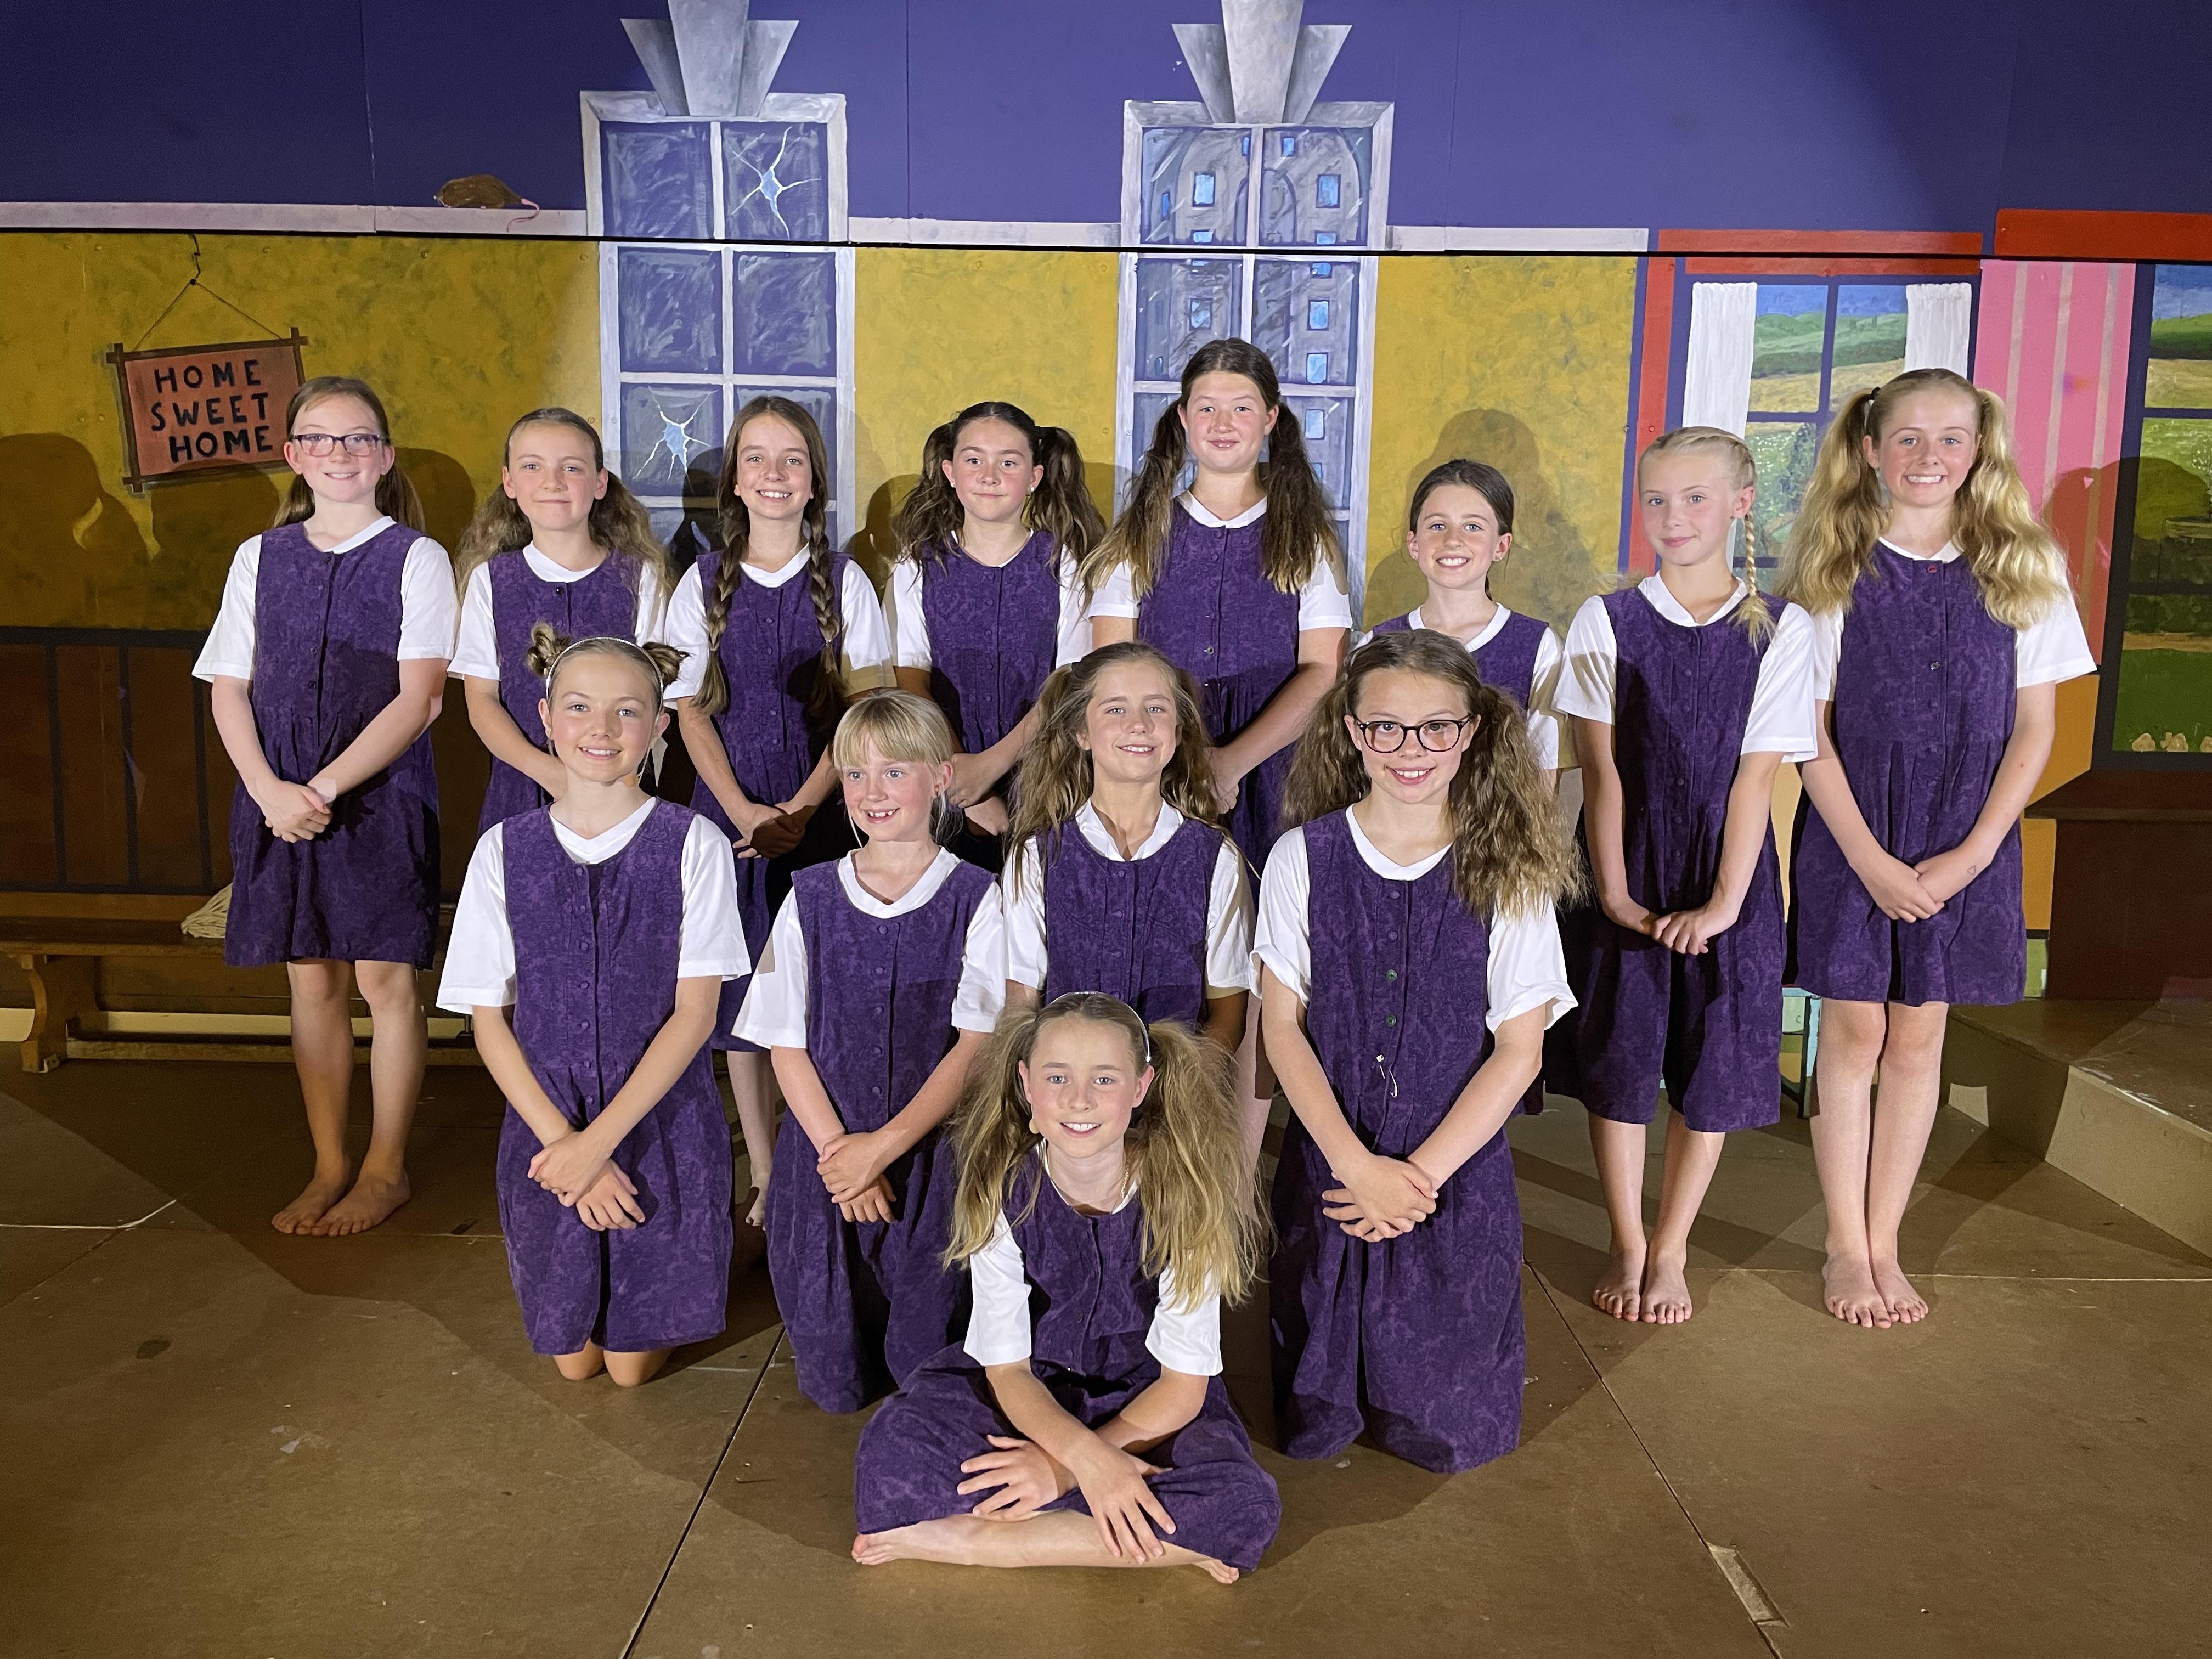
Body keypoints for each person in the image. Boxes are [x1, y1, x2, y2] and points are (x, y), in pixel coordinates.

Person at [1784, 369, 2094, 1329]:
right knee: (1854, 1034)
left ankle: (1886, 1241)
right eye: (1908, 438)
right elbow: (1809, 733)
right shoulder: (1833, 567)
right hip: (1855, 836)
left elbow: (2035, 730)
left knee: (1919, 1037)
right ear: (1871, 448)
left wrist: (1971, 855)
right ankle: (1844, 1245)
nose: (1929, 456)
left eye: (1950, 438)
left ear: (1979, 449)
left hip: (1968, 838)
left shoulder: (2024, 566)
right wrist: (1870, 861)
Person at [1260, 630, 1578, 1473]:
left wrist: (1417, 1179)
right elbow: (1281, 1029)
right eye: (1387, 728)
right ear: (1353, 732)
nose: (1412, 749)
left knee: (1449, 1429)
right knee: (1314, 1416)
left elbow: (1520, 1050)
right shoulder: (1300, 858)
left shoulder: (1509, 869)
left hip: (1453, 1177)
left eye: (1437, 727)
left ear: (1470, 732)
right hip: (1333, 1169)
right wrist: (1355, 1167)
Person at [852, 993, 1278, 1582]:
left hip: (1147, 1404)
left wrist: (1064, 1471)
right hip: (1032, 1393)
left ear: (1141, 1087)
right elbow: (1008, 1372)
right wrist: (1078, 1455)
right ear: (1027, 1084)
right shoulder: (1002, 1188)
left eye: (1104, 1079)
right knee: (890, 1455)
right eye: (1058, 1078)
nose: (1079, 1100)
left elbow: (1183, 1388)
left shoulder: (1186, 1198)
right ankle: (1145, 1535)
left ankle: (987, 1542)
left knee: (1246, 1505)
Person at [1553, 426, 1816, 1324]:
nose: (1675, 517)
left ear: (1740, 503)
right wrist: (1616, 894)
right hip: (1625, 859)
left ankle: (1672, 1248)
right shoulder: (1606, 620)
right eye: (1658, 499)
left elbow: (1754, 778)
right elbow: (1603, 772)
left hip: (1728, 869)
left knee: (1712, 1061)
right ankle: (1628, 1239)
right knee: (1621, 1056)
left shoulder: (1783, 628)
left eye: (1696, 498)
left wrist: (1724, 905)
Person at [438, 629, 743, 1386]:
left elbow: (696, 1016)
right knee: (575, 1366)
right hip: (549, 1131)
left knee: (631, 1370)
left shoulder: (694, 844)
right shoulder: (502, 850)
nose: (601, 729)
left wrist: (598, 1146)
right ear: (545, 718)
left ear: (659, 726)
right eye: (578, 708)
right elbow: (488, 1020)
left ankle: (718, 1246)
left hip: (659, 1128)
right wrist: (565, 1148)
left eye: (626, 711)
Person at [195, 375, 454, 1237]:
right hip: (276, 797)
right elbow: (228, 689)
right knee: (310, 977)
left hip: (377, 797)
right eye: (319, 438)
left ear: (383, 456)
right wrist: (269, 791)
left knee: (384, 979)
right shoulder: (258, 558)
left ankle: (384, 1168)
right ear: (294, 456)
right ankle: (329, 1163)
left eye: (357, 438)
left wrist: (326, 788)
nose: (338, 453)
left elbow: (419, 700)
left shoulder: (416, 558)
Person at [735, 691, 1004, 1411]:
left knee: (926, 1366)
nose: (872, 792)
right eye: (856, 775)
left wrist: (880, 1150)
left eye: (894, 772)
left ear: (940, 777)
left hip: (929, 1160)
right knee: (835, 1382)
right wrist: (842, 1160)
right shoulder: (809, 897)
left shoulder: (979, 898)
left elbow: (977, 1047)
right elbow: (785, 1044)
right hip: (825, 1167)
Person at [665, 395, 893, 1226]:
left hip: (826, 815)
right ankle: (765, 1173)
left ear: (814, 481)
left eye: (792, 459)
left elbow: (865, 713)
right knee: (742, 1003)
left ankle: (816, 1154)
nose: (774, 473)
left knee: (813, 995)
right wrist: (745, 814)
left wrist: (796, 808)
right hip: (730, 823)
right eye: (756, 458)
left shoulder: (848, 581)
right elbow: (688, 711)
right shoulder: (699, 584)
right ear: (734, 479)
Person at [1084, 338, 1351, 868]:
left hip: (1280, 769)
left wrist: (1230, 764)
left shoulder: (1308, 539)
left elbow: (1324, 671)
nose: (1222, 424)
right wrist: (1183, 762)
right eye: (1207, 408)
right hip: (1163, 765)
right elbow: (1110, 673)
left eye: (1242, 409)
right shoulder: (1136, 537)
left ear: (1271, 419)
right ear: (1184, 418)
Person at [1001, 642, 1253, 1057]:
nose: (1139, 724)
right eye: (1116, 709)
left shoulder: (1216, 859)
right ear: (1082, 732)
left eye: (1156, 708)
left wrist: (1178, 1089)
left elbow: (1227, 1018)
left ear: (1178, 732)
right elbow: (1022, 1006)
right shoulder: (1037, 856)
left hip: (1175, 1090)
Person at [886, 400, 1106, 862]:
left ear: (1035, 477)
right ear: (950, 472)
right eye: (974, 460)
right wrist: (967, 785)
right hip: (944, 781)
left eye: (1008, 462)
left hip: (1049, 777)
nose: (990, 476)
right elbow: (911, 682)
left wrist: (993, 765)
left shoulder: (1066, 563)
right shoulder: (917, 566)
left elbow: (1071, 681)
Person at [449, 407, 676, 830]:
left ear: (600, 482)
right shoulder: (490, 580)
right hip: (519, 792)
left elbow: (655, 697)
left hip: (619, 791)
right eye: (532, 466)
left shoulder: (641, 577)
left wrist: (602, 780)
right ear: (509, 482)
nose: (552, 482)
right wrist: (551, 774)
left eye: (571, 467)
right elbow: (481, 701)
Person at [1368, 459, 1568, 782]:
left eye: (1473, 527)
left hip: (1497, 816)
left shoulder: (1539, 648)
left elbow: (1543, 778)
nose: (1452, 540)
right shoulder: (1375, 644)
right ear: (1414, 543)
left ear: (1501, 546)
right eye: (1437, 526)